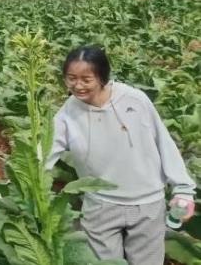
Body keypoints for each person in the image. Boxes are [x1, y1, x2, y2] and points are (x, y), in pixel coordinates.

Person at [46, 46, 196, 265]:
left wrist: (183, 189)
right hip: (100, 205)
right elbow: (42, 156)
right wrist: (6, 195)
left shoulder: (135, 100)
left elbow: (164, 143)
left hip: (147, 204)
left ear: (103, 77)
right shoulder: (67, 114)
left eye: (86, 79)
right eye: (71, 78)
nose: (77, 86)